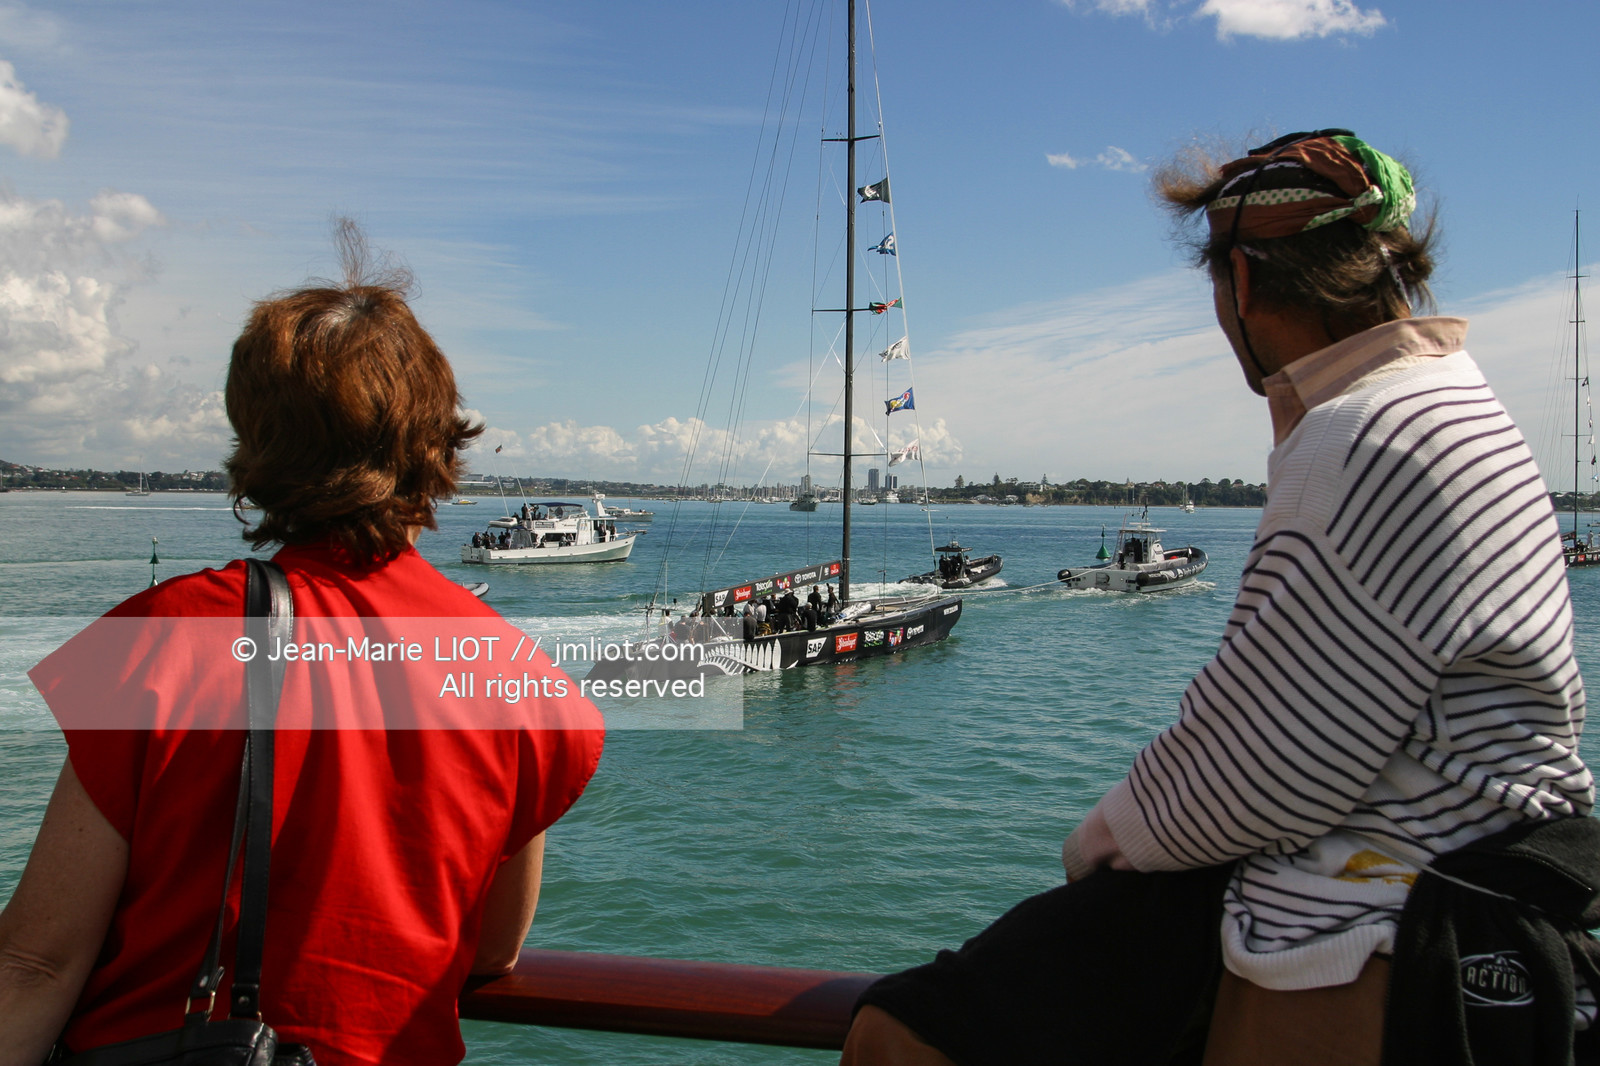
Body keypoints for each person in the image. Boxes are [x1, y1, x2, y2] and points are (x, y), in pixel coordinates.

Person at [842, 131, 1597, 1066]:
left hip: (1374, 928)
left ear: (1239, 284)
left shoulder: (1363, 436)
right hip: (1495, 886)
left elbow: (1264, 762)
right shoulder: (1456, 403)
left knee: (899, 1037)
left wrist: (1098, 846)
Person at [0, 225, 605, 1066]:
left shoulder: (165, 641)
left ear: (256, 438)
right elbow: (493, 953)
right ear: (435, 439)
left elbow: (35, 960)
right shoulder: (524, 684)